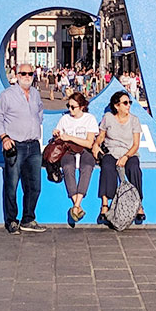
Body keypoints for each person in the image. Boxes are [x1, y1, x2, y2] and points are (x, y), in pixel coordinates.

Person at [0, 63, 46, 234]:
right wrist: (4, 137)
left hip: (34, 145)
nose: (27, 76)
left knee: (35, 186)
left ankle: (28, 219)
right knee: (12, 185)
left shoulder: (36, 94)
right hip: (15, 145)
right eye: (23, 73)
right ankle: (11, 220)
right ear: (16, 74)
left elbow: (40, 113)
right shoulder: (6, 95)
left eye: (30, 73)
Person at [93, 91, 145, 225]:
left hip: (129, 152)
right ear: (117, 106)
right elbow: (101, 136)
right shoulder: (108, 117)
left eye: (129, 103)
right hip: (111, 151)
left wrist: (126, 157)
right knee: (107, 166)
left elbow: (136, 144)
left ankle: (139, 205)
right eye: (125, 103)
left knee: (134, 168)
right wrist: (96, 145)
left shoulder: (134, 120)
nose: (128, 105)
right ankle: (105, 204)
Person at [53, 92, 98, 225]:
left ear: (82, 107)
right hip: (68, 149)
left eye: (73, 107)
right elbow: (59, 136)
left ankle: (76, 205)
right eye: (69, 106)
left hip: (85, 149)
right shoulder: (65, 119)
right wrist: (57, 134)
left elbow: (89, 143)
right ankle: (77, 206)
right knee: (67, 167)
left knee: (88, 167)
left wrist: (70, 137)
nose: (70, 109)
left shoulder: (89, 119)